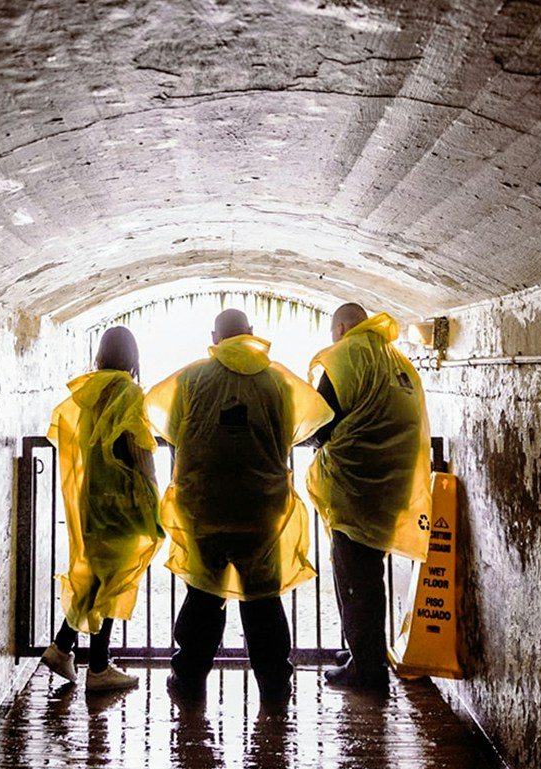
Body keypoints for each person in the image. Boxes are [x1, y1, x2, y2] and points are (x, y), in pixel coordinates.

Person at [144, 308, 332, 707]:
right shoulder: (277, 381)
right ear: (251, 333)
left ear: (214, 336)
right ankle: (275, 686)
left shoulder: (191, 379)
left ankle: (189, 679)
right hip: (261, 509)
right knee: (263, 601)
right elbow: (287, 435)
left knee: (203, 597)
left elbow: (177, 433)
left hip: (204, 508)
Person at [306, 303, 432, 690]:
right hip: (392, 486)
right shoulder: (396, 359)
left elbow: (318, 423)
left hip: (355, 486)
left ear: (341, 328)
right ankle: (365, 651)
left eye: (333, 332)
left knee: (355, 576)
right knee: (369, 572)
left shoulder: (345, 357)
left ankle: (367, 670)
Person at [41, 326, 165, 692]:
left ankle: (64, 649)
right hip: (122, 499)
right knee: (113, 579)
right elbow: (138, 445)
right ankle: (97, 667)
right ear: (132, 358)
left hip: (91, 497)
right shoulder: (128, 393)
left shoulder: (86, 393)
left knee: (97, 577)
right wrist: (152, 490)